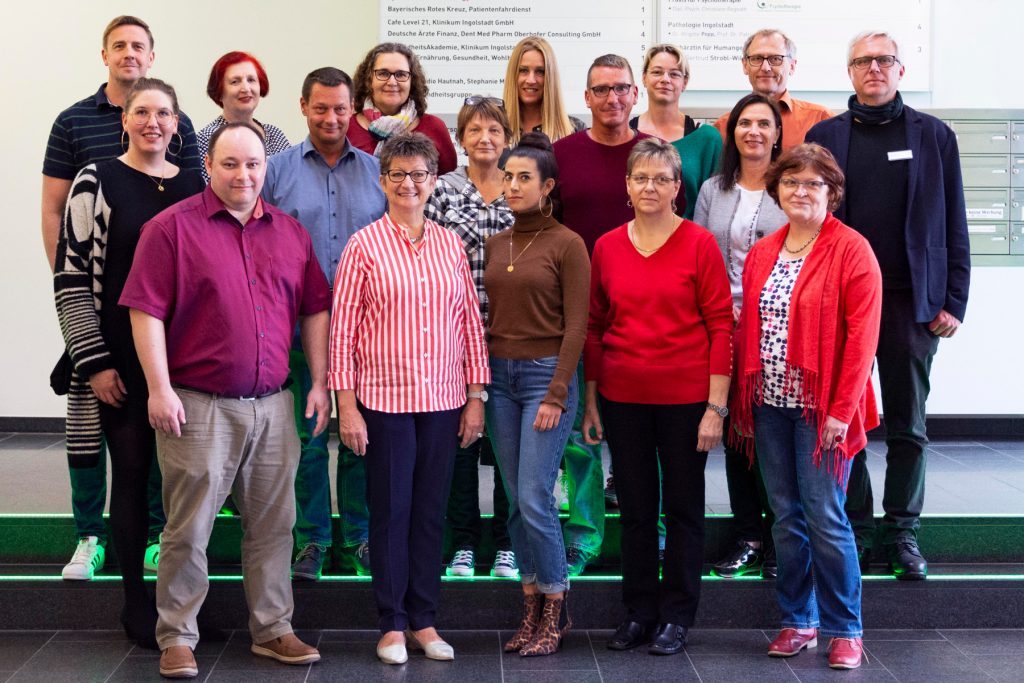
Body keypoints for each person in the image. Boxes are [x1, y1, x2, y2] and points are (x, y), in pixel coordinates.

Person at [121, 122, 328, 678]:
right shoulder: (170, 230)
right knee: (188, 529)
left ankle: (273, 628)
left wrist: (321, 382)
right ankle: (177, 636)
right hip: (198, 405)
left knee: (274, 525)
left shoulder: (290, 233)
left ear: (267, 167)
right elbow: (146, 312)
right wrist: (159, 388)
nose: (243, 175)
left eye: (253, 164)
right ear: (209, 165)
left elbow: (313, 309)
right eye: (231, 164)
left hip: (272, 405)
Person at [806, 31, 970, 580]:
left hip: (910, 303)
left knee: (907, 424)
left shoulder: (934, 135)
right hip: (840, 301)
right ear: (849, 71)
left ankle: (902, 531)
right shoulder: (824, 135)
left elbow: (954, 221)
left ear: (900, 69)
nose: (874, 69)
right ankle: (852, 526)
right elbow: (808, 218)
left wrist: (954, 299)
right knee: (842, 418)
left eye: (884, 60)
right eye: (863, 61)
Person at [42, 13, 199, 583]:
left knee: (164, 459)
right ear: (124, 121)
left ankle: (161, 539)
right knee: (121, 462)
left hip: (174, 350)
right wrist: (94, 360)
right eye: (141, 113)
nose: (152, 122)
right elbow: (72, 276)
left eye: (162, 113)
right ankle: (93, 539)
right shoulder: (94, 178)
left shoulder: (193, 182)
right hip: (112, 348)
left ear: (177, 123)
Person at [328, 133, 490, 665]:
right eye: (397, 174)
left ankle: (424, 619)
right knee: (391, 512)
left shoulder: (449, 244)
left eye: (419, 173)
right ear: (382, 181)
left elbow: (469, 322)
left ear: (433, 180)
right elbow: (343, 331)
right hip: (383, 402)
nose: (409, 184)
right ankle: (391, 624)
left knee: (429, 513)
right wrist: (346, 405)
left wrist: (475, 395)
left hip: (444, 400)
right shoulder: (363, 246)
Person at [730, 143, 882, 670]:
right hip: (770, 403)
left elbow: (863, 339)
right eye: (791, 182)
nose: (801, 191)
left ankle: (846, 629)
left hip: (823, 410)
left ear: (832, 193)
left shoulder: (852, 249)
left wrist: (842, 410)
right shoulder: (765, 250)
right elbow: (748, 324)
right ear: (777, 190)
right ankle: (799, 620)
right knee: (786, 518)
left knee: (824, 516)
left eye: (813, 184)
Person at [583, 138, 732, 656]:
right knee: (636, 511)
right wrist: (592, 400)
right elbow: (596, 328)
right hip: (623, 398)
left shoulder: (699, 244)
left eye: (660, 179)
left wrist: (716, 407)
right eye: (640, 177)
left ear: (677, 188)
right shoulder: (605, 246)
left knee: (685, 509)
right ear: (627, 186)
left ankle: (677, 615)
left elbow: (720, 326)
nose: (649, 186)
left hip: (687, 400)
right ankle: (639, 612)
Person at [552, 54, 688, 576]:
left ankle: (649, 529)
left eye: (621, 90)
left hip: (645, 314)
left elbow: (679, 224)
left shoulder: (655, 154)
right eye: (601, 90)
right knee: (580, 437)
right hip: (576, 314)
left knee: (643, 434)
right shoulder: (562, 155)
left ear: (636, 96)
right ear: (585, 98)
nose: (612, 99)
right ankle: (585, 535)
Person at [262, 67, 385, 581]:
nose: (331, 118)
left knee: (361, 440)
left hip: (369, 330)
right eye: (321, 108)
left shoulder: (379, 171)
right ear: (303, 106)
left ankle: (358, 536)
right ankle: (310, 540)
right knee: (307, 439)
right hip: (295, 327)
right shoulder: (276, 172)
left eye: (341, 108)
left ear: (353, 108)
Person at [484, 132, 590, 656]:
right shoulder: (495, 242)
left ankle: (557, 602)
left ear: (547, 186)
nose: (513, 186)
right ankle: (530, 605)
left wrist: (556, 392)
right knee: (514, 501)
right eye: (507, 177)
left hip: (545, 380)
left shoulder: (568, 243)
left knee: (534, 495)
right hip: (500, 380)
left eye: (524, 177)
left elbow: (577, 328)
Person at [693, 93, 788, 579]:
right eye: (744, 123)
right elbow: (698, 252)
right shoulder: (714, 188)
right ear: (732, 133)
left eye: (763, 124)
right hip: (721, 326)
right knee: (734, 433)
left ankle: (780, 536)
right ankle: (748, 533)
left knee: (771, 431)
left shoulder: (789, 187)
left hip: (776, 327)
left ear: (777, 133)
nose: (753, 131)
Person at [424, 96, 517, 579]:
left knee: (505, 444)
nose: (485, 138)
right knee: (460, 444)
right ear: (460, 139)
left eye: (494, 131)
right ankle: (462, 541)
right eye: (475, 130)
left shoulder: (520, 190)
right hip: (454, 337)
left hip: (509, 335)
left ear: (508, 139)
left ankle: (505, 542)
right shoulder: (440, 191)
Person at [630, 44, 721, 220]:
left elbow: (716, 205)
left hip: (690, 242)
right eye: (657, 72)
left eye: (674, 74)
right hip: (635, 241)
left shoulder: (707, 139)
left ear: (684, 82)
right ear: (644, 78)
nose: (665, 79)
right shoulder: (626, 135)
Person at [713, 29, 832, 152]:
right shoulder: (723, 127)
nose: (765, 67)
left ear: (792, 66)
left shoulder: (820, 119)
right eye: (757, 58)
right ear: (745, 65)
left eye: (775, 59)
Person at [348, 42, 457, 175]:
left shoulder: (434, 127)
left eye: (401, 74)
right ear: (368, 79)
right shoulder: (347, 128)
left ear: (412, 81)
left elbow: (448, 182)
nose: (392, 82)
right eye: (383, 73)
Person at [197, 51, 291, 183]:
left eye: (251, 80)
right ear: (219, 92)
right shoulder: (207, 138)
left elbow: (293, 184)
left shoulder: (275, 135)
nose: (246, 88)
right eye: (235, 82)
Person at [501, 36, 585, 145]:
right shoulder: (495, 130)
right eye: (523, 70)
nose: (531, 80)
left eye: (540, 72)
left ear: (550, 78)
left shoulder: (575, 132)